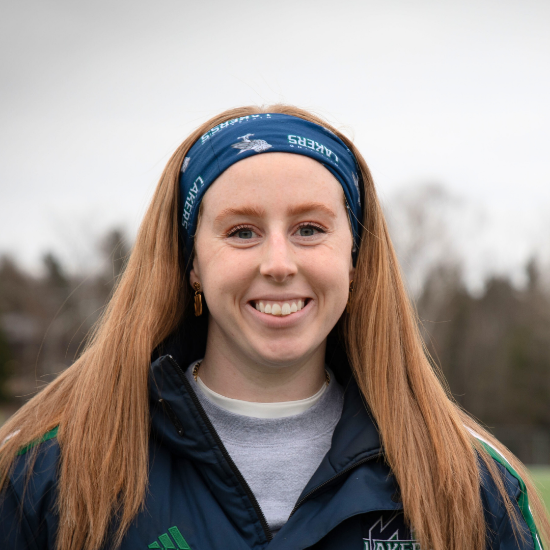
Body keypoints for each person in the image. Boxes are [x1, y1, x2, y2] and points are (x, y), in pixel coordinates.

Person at [0, 105, 548, 550]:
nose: (279, 263)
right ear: (192, 262)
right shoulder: (44, 474)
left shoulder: (470, 481)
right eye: (242, 232)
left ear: (354, 258)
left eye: (310, 229)